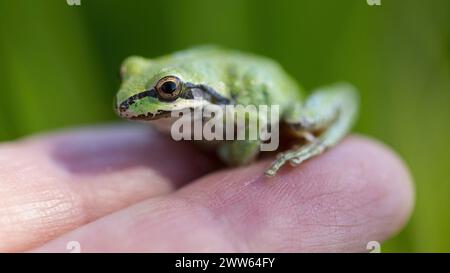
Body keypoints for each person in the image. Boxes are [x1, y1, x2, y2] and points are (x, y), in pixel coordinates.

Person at [0, 124, 413, 252]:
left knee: (301, 121)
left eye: (166, 91)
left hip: (289, 112)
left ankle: (318, 141)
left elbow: (241, 149)